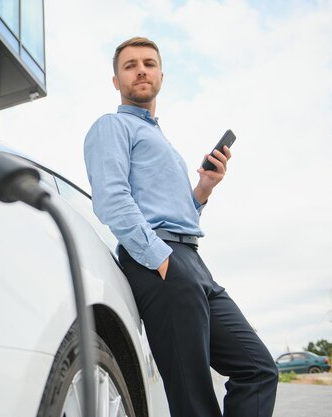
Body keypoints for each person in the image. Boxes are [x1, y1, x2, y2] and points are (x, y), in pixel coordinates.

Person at [84, 36, 278, 417]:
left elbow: (175, 212)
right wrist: (160, 259)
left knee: (258, 368)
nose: (141, 69)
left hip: (192, 261)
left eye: (149, 63)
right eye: (130, 65)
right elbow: (111, 198)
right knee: (193, 400)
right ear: (116, 81)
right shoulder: (112, 126)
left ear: (160, 74)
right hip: (160, 261)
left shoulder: (160, 140)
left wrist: (204, 189)